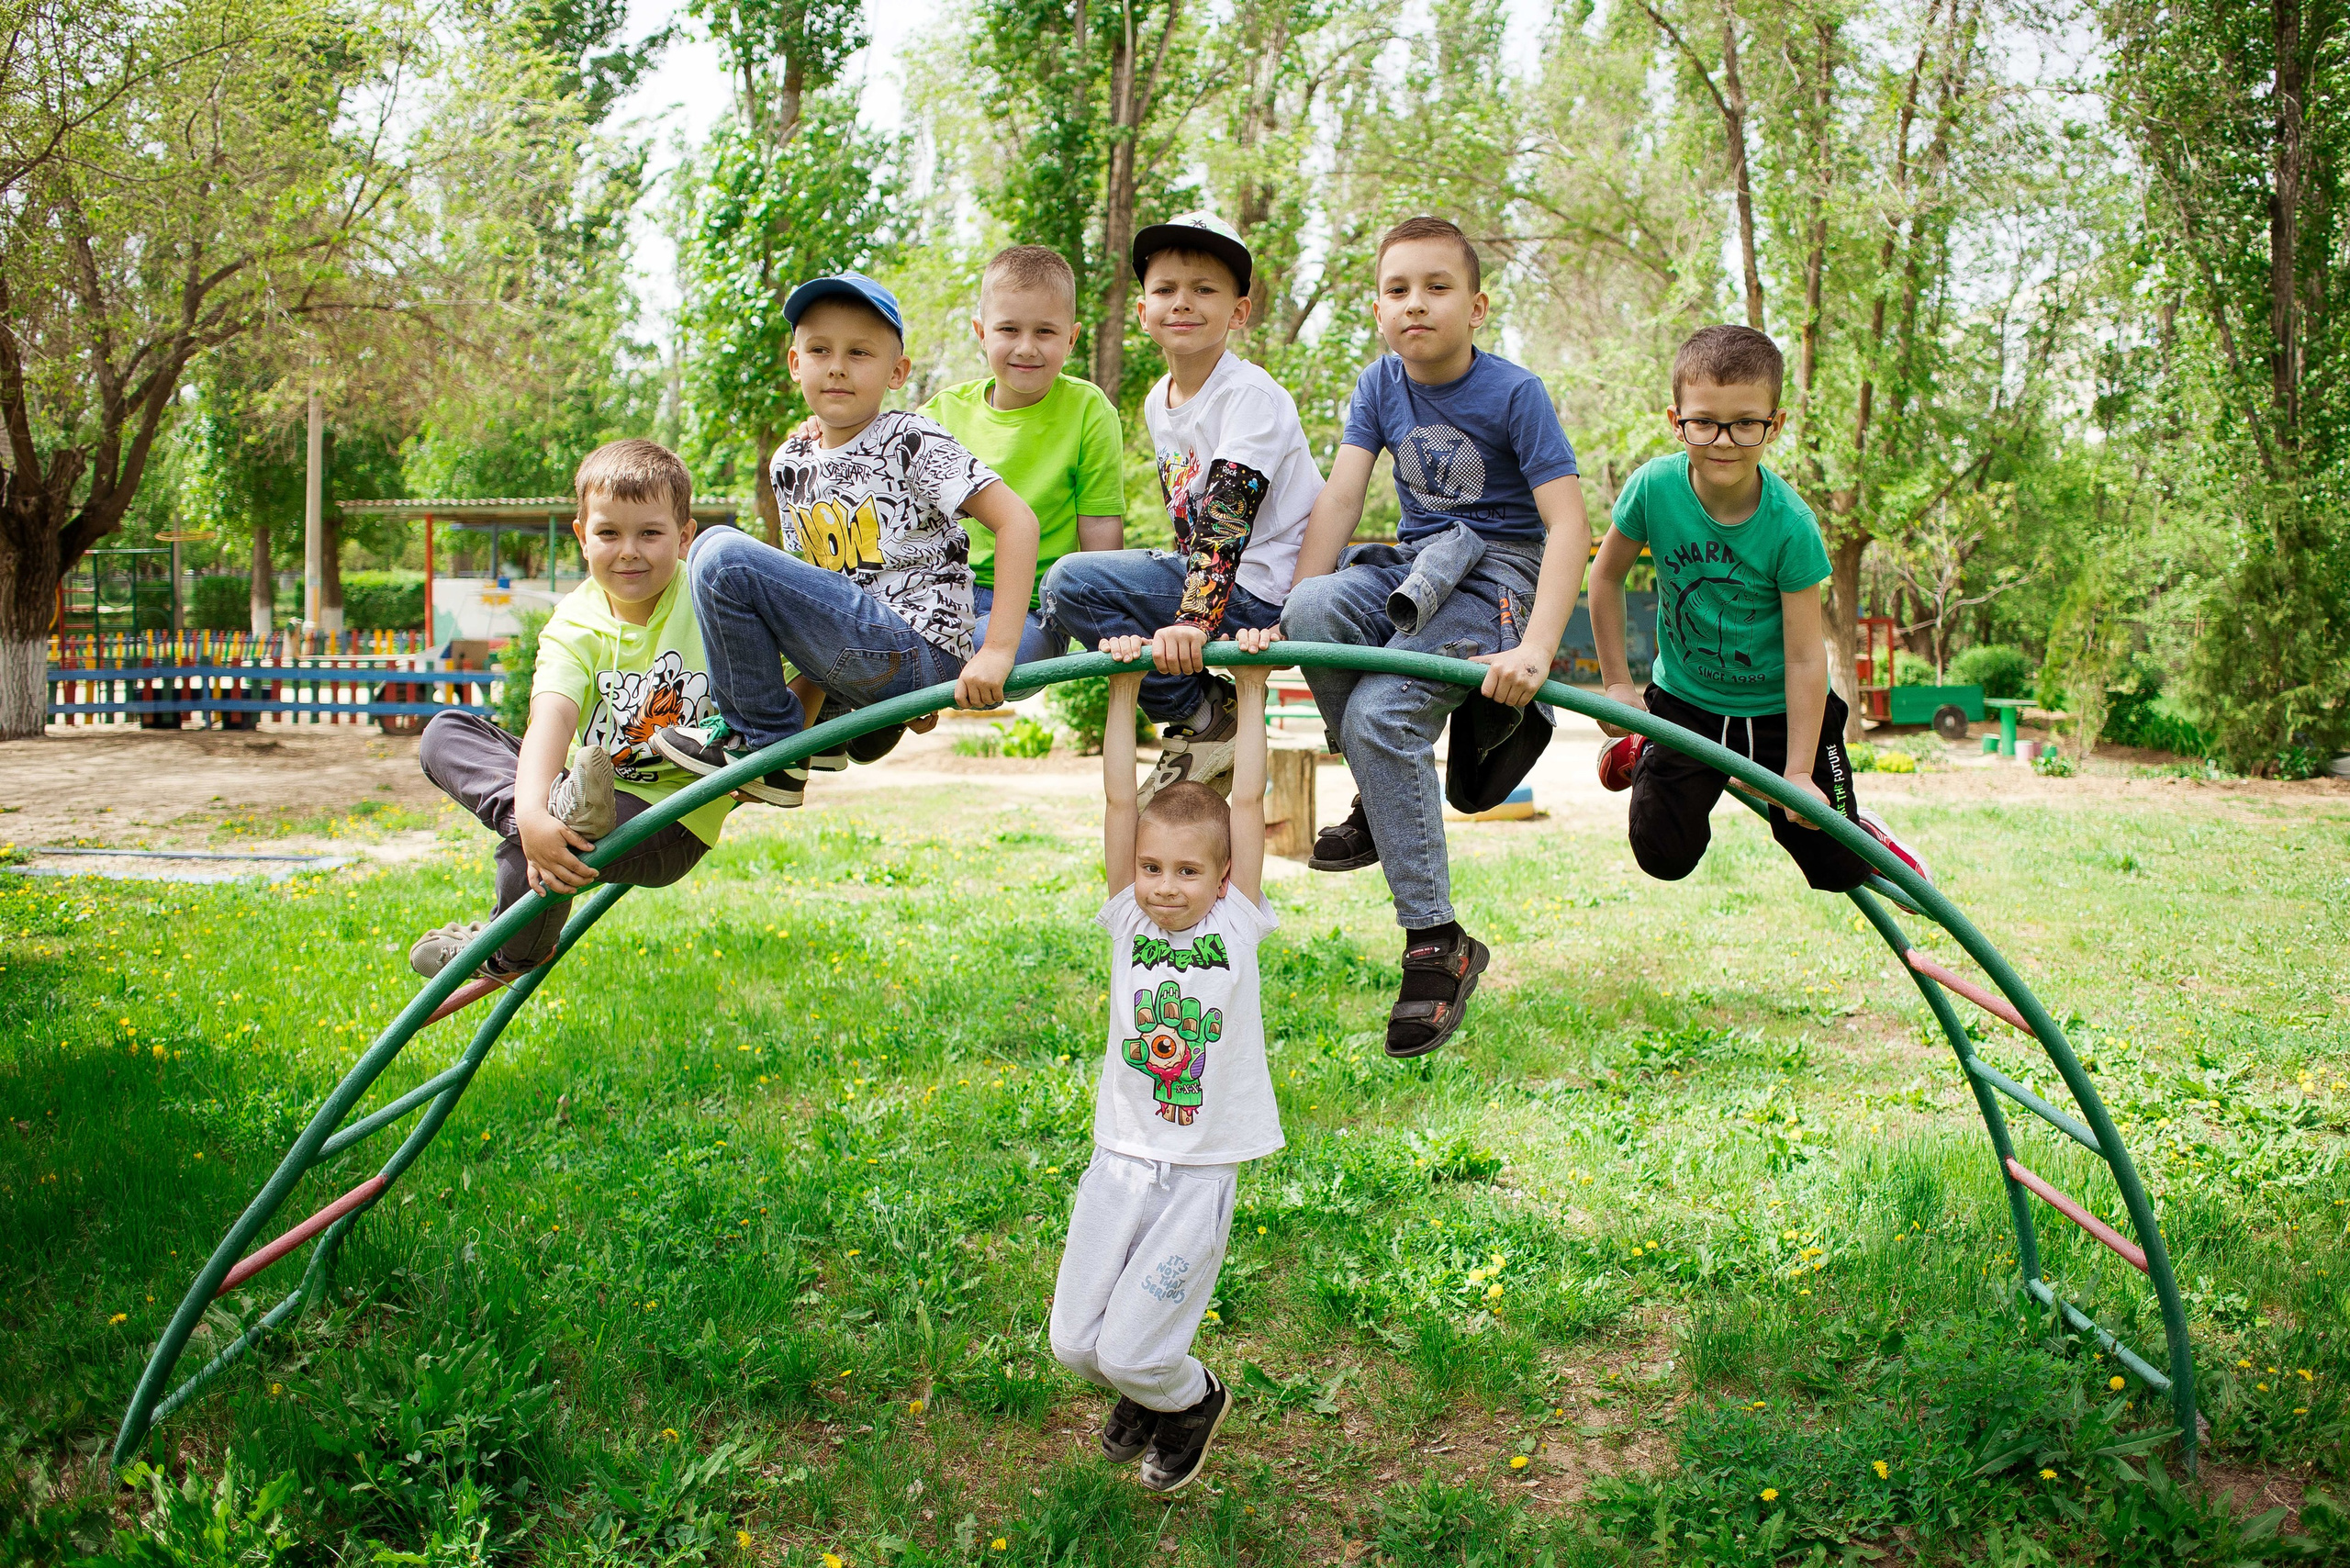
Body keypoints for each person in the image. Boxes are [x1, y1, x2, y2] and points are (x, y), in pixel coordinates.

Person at [1279, 215, 1591, 1060]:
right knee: (1313, 612)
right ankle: (1383, 806)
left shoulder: (1513, 393)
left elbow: (1569, 526)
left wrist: (1536, 648)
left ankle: (1437, 946)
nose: (1415, 304)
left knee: (1382, 714)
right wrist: (1286, 603)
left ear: (1477, 305)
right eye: (1396, 290)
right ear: (1378, 307)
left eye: (1436, 287)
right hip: (1420, 564)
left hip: (1498, 579)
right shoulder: (1380, 384)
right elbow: (1342, 500)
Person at [653, 273, 1042, 799]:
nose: (836, 365)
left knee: (718, 553)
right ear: (796, 363)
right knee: (726, 565)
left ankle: (762, 741)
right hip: (854, 650)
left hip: (916, 645)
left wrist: (994, 651)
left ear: (897, 372)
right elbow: (811, 602)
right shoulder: (790, 463)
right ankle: (799, 741)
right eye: (819, 349)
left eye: (860, 353)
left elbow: (1017, 521)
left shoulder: (910, 438)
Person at [1049, 625, 1284, 1495]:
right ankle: (1142, 1387)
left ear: (1223, 880)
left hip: (1196, 1168)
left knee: (1134, 1343)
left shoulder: (1236, 923)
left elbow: (1249, 802)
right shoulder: (1128, 922)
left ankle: (1188, 1398)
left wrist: (1252, 691)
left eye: (1187, 871)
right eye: (1152, 868)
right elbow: (1118, 805)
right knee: (1077, 1343)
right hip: (1120, 1155)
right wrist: (1122, 691)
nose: (1164, 885)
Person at [1590, 323, 1930, 887]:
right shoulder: (1654, 488)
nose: (1724, 440)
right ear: (1676, 421)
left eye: (1745, 423)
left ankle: (1863, 833)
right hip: (1687, 702)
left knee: (1835, 867)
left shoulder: (1791, 527)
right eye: (1705, 421)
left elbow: (1803, 658)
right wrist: (1620, 686)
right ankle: (1644, 743)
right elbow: (1605, 580)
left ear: (1775, 425)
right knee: (1662, 855)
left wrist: (1797, 770)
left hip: (1780, 711)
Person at [410, 440, 732, 982]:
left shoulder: (711, 594)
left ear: (684, 538)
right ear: (583, 538)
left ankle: (505, 953)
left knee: (533, 857)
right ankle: (548, 818)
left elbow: (797, 671)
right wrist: (531, 814)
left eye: (649, 533)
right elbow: (551, 721)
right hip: (581, 790)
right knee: (445, 732)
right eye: (609, 533)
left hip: (673, 811)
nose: (629, 550)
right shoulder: (574, 621)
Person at [1043, 212, 1321, 805]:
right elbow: (1184, 519)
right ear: (1143, 312)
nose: (1183, 303)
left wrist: (1191, 621)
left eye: (1204, 290)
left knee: (1072, 581)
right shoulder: (1157, 401)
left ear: (1238, 312)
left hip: (1264, 590)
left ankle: (1201, 713)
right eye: (1165, 290)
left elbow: (1224, 517)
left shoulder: (1249, 396)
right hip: (1217, 581)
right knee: (1083, 589)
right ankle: (1201, 717)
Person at [926, 245, 1126, 663]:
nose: (1026, 348)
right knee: (883, 648)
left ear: (1071, 338)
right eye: (1009, 330)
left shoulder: (1088, 410)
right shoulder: (942, 413)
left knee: (960, 654)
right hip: (939, 596)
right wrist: (821, 428)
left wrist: (1111, 628)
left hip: (1037, 612)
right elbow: (872, 451)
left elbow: (1101, 529)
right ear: (982, 334)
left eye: (1045, 332)